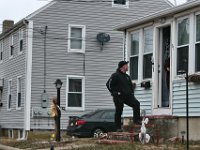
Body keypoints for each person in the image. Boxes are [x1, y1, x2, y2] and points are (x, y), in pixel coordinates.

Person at [106, 61, 141, 131]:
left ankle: (136, 121)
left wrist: (131, 93)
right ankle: (118, 127)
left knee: (136, 104)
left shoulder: (127, 77)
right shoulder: (115, 75)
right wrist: (115, 93)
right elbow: (108, 84)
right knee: (119, 110)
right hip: (118, 96)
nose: (127, 66)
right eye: (126, 65)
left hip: (127, 96)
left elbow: (130, 86)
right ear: (122, 66)